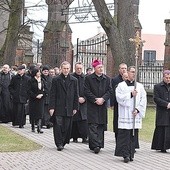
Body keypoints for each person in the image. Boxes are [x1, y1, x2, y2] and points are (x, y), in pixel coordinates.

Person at [114, 66, 147, 163]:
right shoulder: (121, 85)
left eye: (134, 72)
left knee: (133, 135)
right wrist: (130, 95)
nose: (133, 73)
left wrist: (138, 109)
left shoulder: (139, 86)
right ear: (127, 73)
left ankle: (131, 153)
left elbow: (143, 99)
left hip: (134, 115)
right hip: (125, 114)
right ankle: (125, 154)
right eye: (132, 72)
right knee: (125, 136)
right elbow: (119, 98)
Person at [49, 61, 79, 151]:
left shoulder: (74, 80)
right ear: (61, 69)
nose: (66, 70)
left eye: (67, 68)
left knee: (67, 126)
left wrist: (75, 107)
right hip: (58, 106)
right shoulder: (56, 79)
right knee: (58, 125)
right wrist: (51, 107)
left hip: (69, 107)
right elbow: (52, 94)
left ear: (70, 69)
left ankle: (63, 141)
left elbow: (75, 95)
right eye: (64, 68)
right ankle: (59, 143)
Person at [84, 59, 112, 154]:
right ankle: (95, 145)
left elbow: (110, 91)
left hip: (102, 106)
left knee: (100, 125)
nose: (101, 69)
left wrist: (103, 99)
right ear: (94, 68)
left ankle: (99, 144)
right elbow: (86, 91)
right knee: (92, 125)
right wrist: (95, 99)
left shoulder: (107, 79)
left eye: (101, 67)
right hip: (93, 105)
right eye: (99, 67)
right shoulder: (88, 79)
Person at [151, 70, 170, 153]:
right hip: (162, 111)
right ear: (163, 77)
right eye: (167, 78)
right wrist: (166, 104)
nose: (168, 79)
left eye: (169, 78)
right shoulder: (157, 86)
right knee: (162, 128)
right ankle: (161, 146)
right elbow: (156, 98)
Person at [71, 62, 88, 143]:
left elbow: (88, 90)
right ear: (75, 68)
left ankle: (84, 137)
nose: (79, 70)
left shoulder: (86, 78)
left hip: (84, 102)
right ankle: (74, 137)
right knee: (75, 120)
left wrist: (84, 98)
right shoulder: (71, 77)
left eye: (80, 68)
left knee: (83, 120)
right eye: (77, 68)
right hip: (74, 101)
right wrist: (76, 98)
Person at [110, 63, 127, 142]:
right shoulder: (115, 80)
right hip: (117, 104)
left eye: (125, 68)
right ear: (119, 69)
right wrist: (112, 103)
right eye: (122, 68)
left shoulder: (128, 79)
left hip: (126, 104)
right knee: (117, 120)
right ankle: (117, 136)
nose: (124, 70)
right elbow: (112, 92)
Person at [28, 67, 48, 133]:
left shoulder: (42, 80)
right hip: (33, 99)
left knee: (40, 113)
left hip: (41, 99)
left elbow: (46, 89)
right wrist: (35, 96)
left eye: (39, 72)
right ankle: (33, 126)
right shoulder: (31, 80)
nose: (39, 73)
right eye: (37, 72)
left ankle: (39, 127)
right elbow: (29, 90)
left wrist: (42, 94)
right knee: (33, 113)